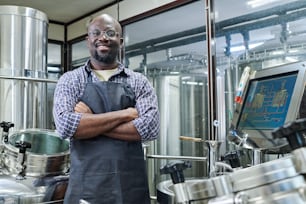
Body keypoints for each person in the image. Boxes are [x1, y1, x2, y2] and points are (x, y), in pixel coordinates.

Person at [53, 13, 160, 204]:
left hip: (130, 187)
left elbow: (150, 128)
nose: (103, 37)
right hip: (86, 187)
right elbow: (66, 126)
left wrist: (90, 120)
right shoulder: (70, 80)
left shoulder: (138, 81)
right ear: (88, 40)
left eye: (110, 33)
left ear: (120, 41)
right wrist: (125, 114)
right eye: (96, 32)